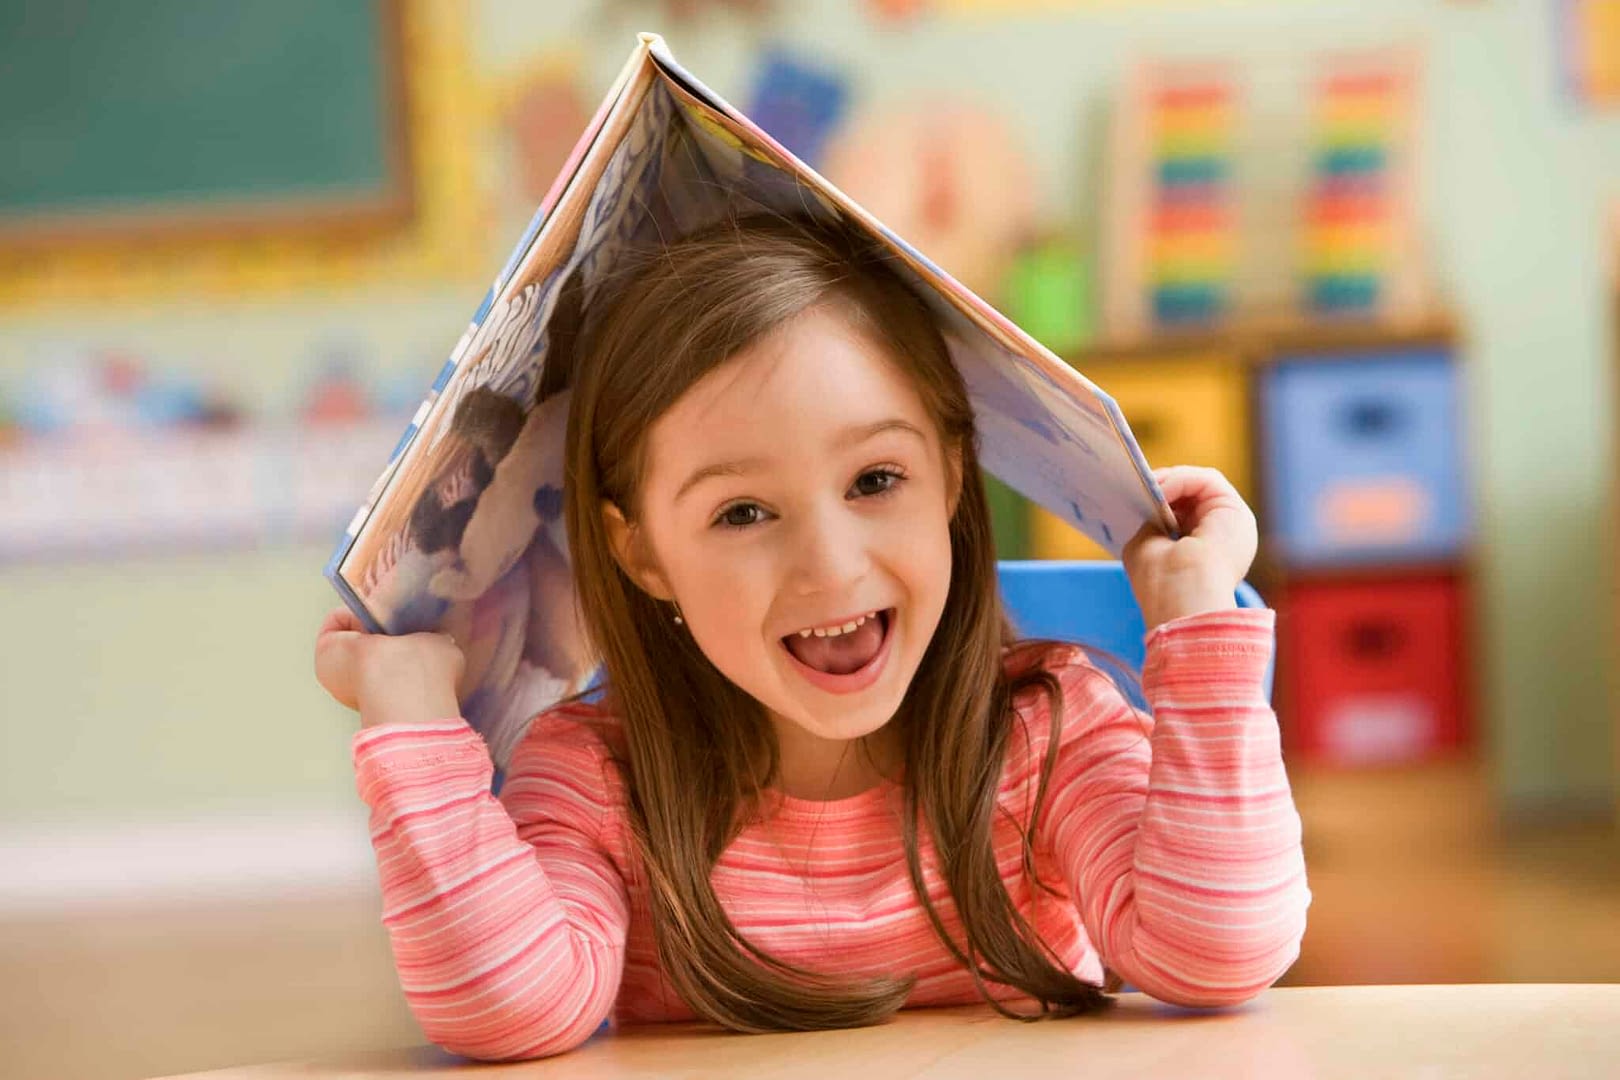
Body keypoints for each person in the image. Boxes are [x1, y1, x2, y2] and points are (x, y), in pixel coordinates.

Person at [313, 215, 1308, 1062]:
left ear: (952, 477)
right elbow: (507, 1012)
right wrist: (408, 718)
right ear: (644, 551)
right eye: (742, 513)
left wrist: (1190, 608)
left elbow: (1219, 951)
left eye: (877, 480)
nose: (830, 568)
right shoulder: (593, 780)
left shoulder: (1048, 733)